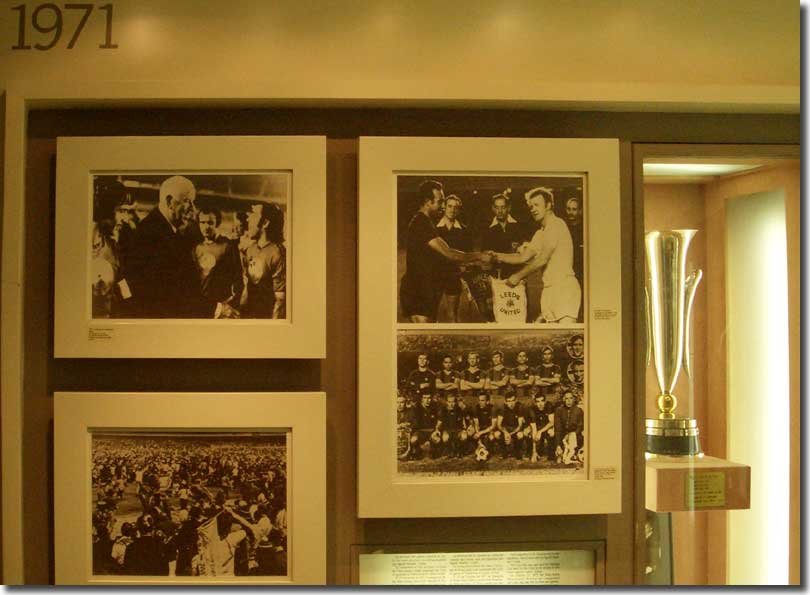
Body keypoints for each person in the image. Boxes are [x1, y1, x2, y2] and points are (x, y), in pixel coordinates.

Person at [120, 176, 239, 319]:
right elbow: (171, 294)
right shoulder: (149, 236)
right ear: (170, 202)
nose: (193, 209)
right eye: (188, 201)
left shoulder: (167, 231)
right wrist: (218, 309)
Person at [489, 187, 581, 324]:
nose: (533, 209)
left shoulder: (557, 224)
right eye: (531, 206)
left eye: (537, 205)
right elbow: (522, 257)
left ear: (549, 205)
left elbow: (543, 259)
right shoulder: (540, 233)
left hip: (565, 288)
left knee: (565, 337)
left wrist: (517, 276)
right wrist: (496, 256)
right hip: (548, 290)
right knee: (551, 339)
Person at [399, 180, 485, 322]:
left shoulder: (427, 222)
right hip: (417, 289)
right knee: (425, 337)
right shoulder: (421, 223)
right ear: (428, 201)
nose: (442, 206)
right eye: (440, 201)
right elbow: (449, 253)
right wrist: (481, 256)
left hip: (427, 288)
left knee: (432, 332)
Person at [240, 203, 287, 319]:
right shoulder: (250, 250)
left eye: (253, 214)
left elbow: (280, 300)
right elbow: (247, 287)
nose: (248, 218)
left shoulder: (278, 253)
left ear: (265, 223)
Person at [193, 206, 244, 310]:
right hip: (202, 306)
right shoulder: (196, 248)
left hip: (222, 307)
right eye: (202, 222)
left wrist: (231, 304)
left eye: (210, 223)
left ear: (218, 223)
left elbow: (238, 280)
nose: (206, 226)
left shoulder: (228, 246)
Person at [435, 194, 473, 322]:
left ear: (459, 210)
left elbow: (468, 255)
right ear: (444, 207)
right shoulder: (433, 228)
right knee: (431, 314)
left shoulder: (465, 230)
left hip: (453, 276)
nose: (452, 209)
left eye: (456, 207)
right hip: (435, 276)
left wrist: (464, 269)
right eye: (449, 206)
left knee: (452, 314)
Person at [481, 192, 529, 279]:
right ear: (493, 208)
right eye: (497, 207)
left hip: (516, 276)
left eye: (503, 207)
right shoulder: (487, 229)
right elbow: (484, 254)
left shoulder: (519, 227)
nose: (500, 211)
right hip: (496, 276)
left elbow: (525, 251)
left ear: (508, 208)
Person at [565, 197, 585, 321]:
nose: (571, 212)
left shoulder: (585, 227)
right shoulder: (563, 227)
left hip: (581, 269)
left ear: (580, 211)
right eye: (568, 209)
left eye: (574, 209)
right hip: (567, 268)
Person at [408, 392, 442, 459]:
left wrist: (437, 429)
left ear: (431, 399)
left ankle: (433, 451)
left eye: (429, 398)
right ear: (421, 399)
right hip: (420, 431)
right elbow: (413, 423)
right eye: (425, 398)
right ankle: (417, 450)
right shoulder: (416, 408)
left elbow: (439, 420)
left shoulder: (434, 407)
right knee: (413, 440)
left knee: (437, 439)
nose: (427, 400)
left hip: (431, 431)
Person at [554, 390, 584, 466]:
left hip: (575, 436)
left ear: (573, 399)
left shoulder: (579, 410)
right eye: (566, 399)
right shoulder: (559, 410)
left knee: (576, 439)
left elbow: (580, 426)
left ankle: (573, 453)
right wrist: (558, 444)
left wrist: (573, 434)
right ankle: (561, 451)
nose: (569, 401)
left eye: (570, 398)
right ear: (563, 400)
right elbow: (558, 428)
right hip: (563, 435)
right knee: (560, 457)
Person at [525, 392, 555, 461]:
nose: (540, 404)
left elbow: (551, 422)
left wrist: (540, 431)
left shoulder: (549, 406)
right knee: (527, 433)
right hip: (536, 427)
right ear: (535, 403)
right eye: (538, 402)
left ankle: (551, 453)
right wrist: (534, 451)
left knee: (551, 432)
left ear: (545, 401)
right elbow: (534, 428)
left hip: (546, 427)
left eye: (542, 401)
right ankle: (531, 452)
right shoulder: (532, 410)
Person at [497, 391, 525, 459]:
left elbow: (520, 425)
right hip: (506, 429)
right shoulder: (503, 408)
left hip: (516, 429)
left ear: (516, 400)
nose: (511, 403)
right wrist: (505, 432)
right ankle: (504, 452)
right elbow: (499, 424)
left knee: (520, 435)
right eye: (509, 401)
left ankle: (517, 452)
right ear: (505, 402)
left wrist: (511, 434)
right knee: (497, 434)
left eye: (513, 401)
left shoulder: (519, 407)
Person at [440, 392, 469, 458]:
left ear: (455, 402)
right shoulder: (443, 410)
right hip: (447, 431)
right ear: (446, 402)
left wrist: (464, 430)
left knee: (464, 436)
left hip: (457, 430)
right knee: (445, 438)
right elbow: (440, 423)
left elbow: (463, 422)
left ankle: (460, 450)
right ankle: (449, 450)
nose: (451, 404)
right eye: (449, 402)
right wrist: (441, 431)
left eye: (453, 402)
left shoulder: (458, 410)